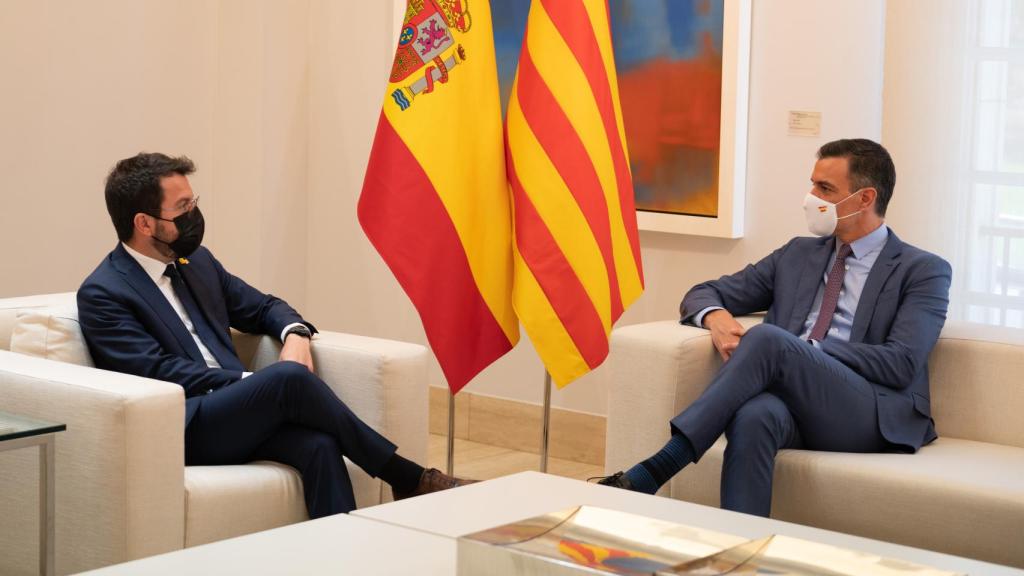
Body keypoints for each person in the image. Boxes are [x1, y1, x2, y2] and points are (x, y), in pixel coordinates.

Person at [77, 152, 471, 519]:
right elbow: (157, 371)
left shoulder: (196, 262)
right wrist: (253, 382)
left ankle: (343, 559)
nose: (194, 214)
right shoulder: (105, 292)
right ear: (144, 223)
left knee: (319, 445)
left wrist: (296, 334)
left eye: (194, 201)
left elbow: (263, 307)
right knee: (287, 379)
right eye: (182, 208)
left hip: (236, 416)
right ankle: (410, 478)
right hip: (182, 424)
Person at [599, 139, 951, 517]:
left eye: (825, 189)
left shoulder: (924, 270)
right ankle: (742, 549)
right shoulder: (799, 253)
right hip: (797, 400)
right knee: (755, 416)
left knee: (770, 339)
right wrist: (716, 318)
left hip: (870, 410)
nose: (811, 197)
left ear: (865, 199)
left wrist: (807, 351)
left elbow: (900, 362)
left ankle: (660, 466)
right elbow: (705, 292)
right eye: (813, 184)